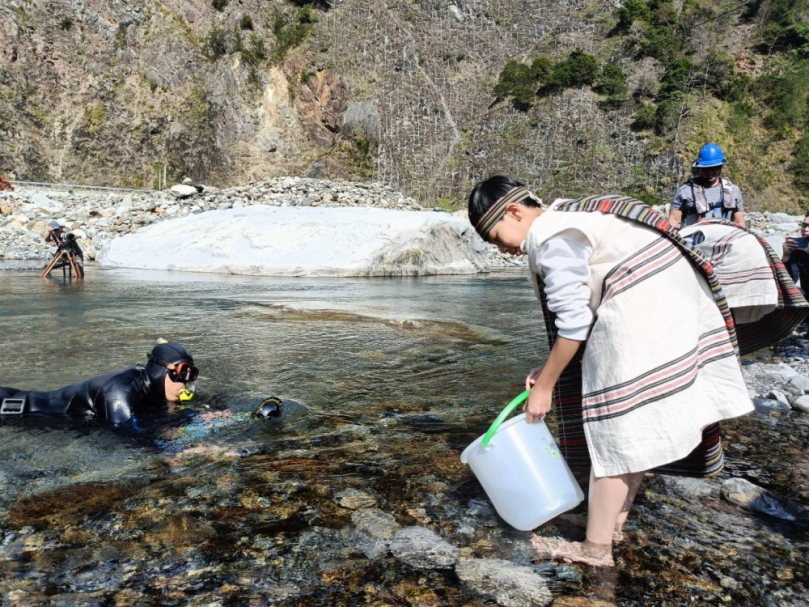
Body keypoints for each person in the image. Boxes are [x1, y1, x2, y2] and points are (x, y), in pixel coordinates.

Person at [467, 176, 753, 566]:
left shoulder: (552, 238)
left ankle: (596, 548)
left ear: (514, 211)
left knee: (613, 426)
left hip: (643, 308)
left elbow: (573, 323)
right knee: (633, 426)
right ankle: (613, 522)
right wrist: (547, 364)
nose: (501, 249)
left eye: (495, 236)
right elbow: (579, 315)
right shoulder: (569, 215)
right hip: (673, 302)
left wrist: (545, 385)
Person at [0, 341, 198, 429]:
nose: (184, 384)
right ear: (159, 372)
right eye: (179, 376)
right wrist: (178, 449)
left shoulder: (152, 389)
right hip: (16, 410)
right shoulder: (120, 390)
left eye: (189, 378)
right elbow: (129, 433)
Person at [669, 143, 745, 229]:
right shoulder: (685, 191)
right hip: (691, 239)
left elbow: (739, 222)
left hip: (723, 238)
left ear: (721, 167)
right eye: (706, 169)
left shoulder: (733, 190)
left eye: (714, 168)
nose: (710, 172)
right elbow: (673, 221)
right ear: (700, 168)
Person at [780, 211, 809, 295]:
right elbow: (790, 280)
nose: (806, 229)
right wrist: (786, 256)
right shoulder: (798, 247)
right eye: (804, 225)